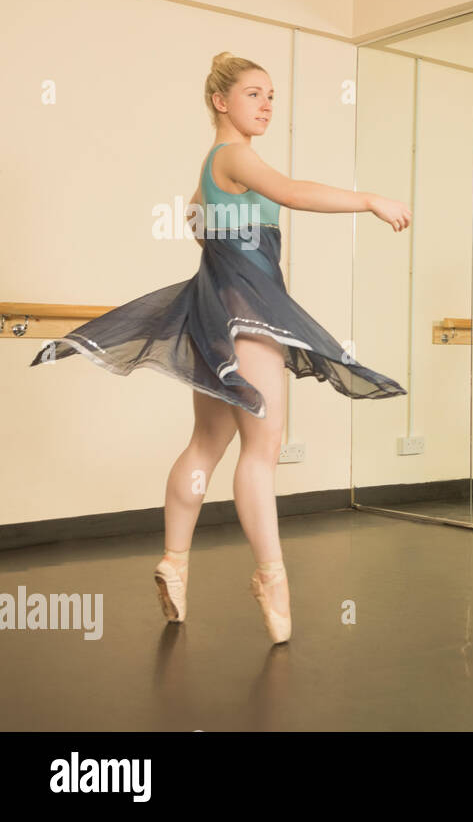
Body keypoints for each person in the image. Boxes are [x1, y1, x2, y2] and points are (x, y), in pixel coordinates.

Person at [28, 52, 413, 644]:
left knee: (207, 444)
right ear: (221, 102)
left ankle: (175, 561)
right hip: (247, 319)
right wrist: (370, 200)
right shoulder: (235, 156)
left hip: (211, 318)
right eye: (254, 94)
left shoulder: (208, 169)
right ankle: (271, 580)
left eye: (271, 96)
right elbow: (293, 191)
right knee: (261, 451)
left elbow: (210, 226)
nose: (265, 105)